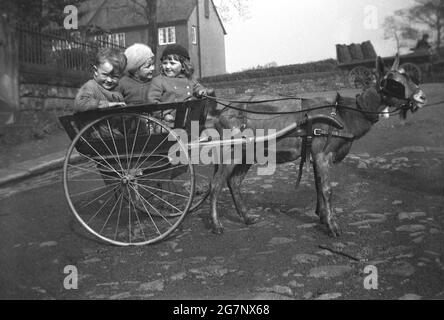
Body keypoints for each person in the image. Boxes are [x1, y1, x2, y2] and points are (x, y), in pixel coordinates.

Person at [147, 44, 211, 127]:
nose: (167, 66)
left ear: (183, 66)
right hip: (169, 122)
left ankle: (196, 136)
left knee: (198, 128)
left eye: (172, 63)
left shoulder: (189, 79)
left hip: (190, 119)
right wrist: (165, 114)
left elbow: (197, 87)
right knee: (176, 133)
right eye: (165, 63)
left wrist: (201, 91)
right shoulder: (159, 81)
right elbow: (152, 101)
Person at [74, 47, 127, 138]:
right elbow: (80, 103)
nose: (109, 80)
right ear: (95, 71)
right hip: (97, 137)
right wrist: (108, 104)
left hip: (114, 136)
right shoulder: (91, 86)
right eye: (105, 75)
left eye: (115, 76)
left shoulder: (117, 91)